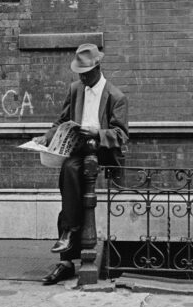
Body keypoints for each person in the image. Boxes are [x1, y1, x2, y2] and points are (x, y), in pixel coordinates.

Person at [33, 43, 128, 285]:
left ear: (98, 67)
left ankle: (67, 237)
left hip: (100, 151)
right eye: (79, 73)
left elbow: (121, 134)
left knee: (72, 170)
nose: (82, 77)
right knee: (70, 176)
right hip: (77, 146)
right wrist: (47, 136)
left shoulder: (116, 96)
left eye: (86, 73)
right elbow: (62, 120)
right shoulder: (76, 89)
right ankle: (67, 247)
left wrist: (97, 132)